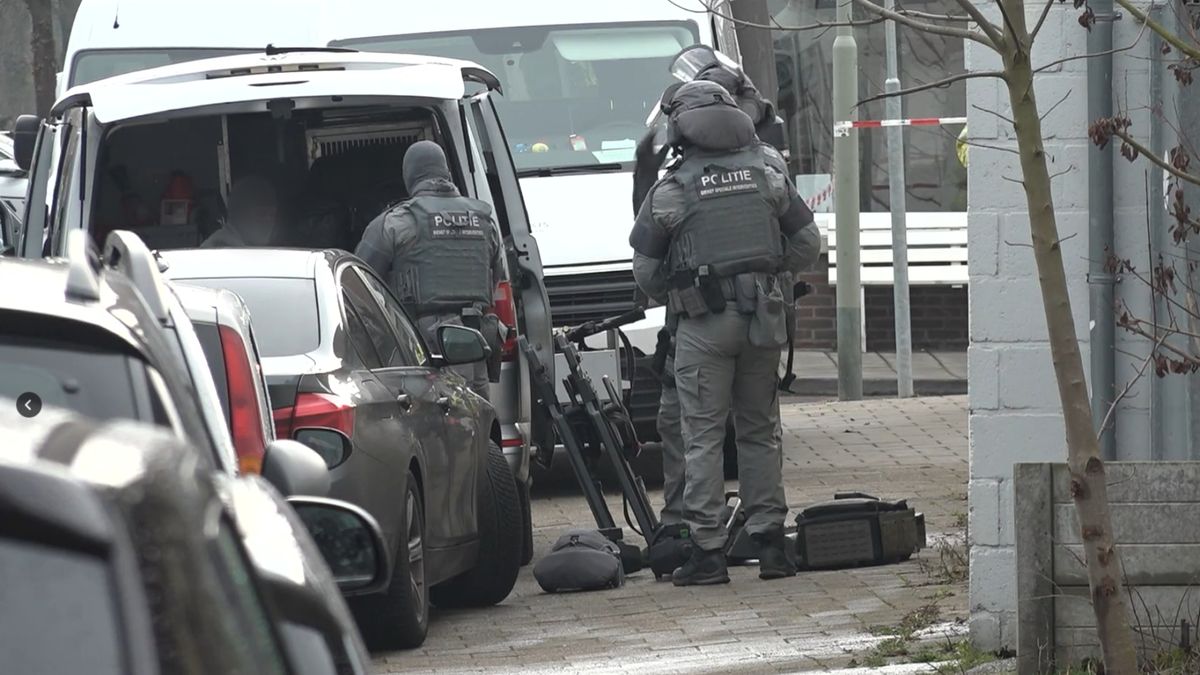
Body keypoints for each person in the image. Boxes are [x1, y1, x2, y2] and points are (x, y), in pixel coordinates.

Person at [630, 80, 820, 586]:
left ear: (677, 128)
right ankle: (772, 547)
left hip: (703, 327)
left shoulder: (670, 188)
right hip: (764, 320)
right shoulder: (769, 170)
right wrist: (767, 272)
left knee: (703, 438)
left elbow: (646, 274)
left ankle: (709, 553)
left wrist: (686, 283)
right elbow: (807, 244)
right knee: (760, 430)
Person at [354, 140, 503, 401]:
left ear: (409, 174)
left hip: (420, 352)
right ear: (444, 171)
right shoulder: (484, 222)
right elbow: (494, 279)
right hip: (473, 346)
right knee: (477, 431)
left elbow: (358, 288)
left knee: (430, 432)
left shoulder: (395, 223)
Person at [201, 175, 278, 248]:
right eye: (261, 214)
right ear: (241, 215)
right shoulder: (221, 249)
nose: (268, 221)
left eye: (272, 215)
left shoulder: (247, 246)